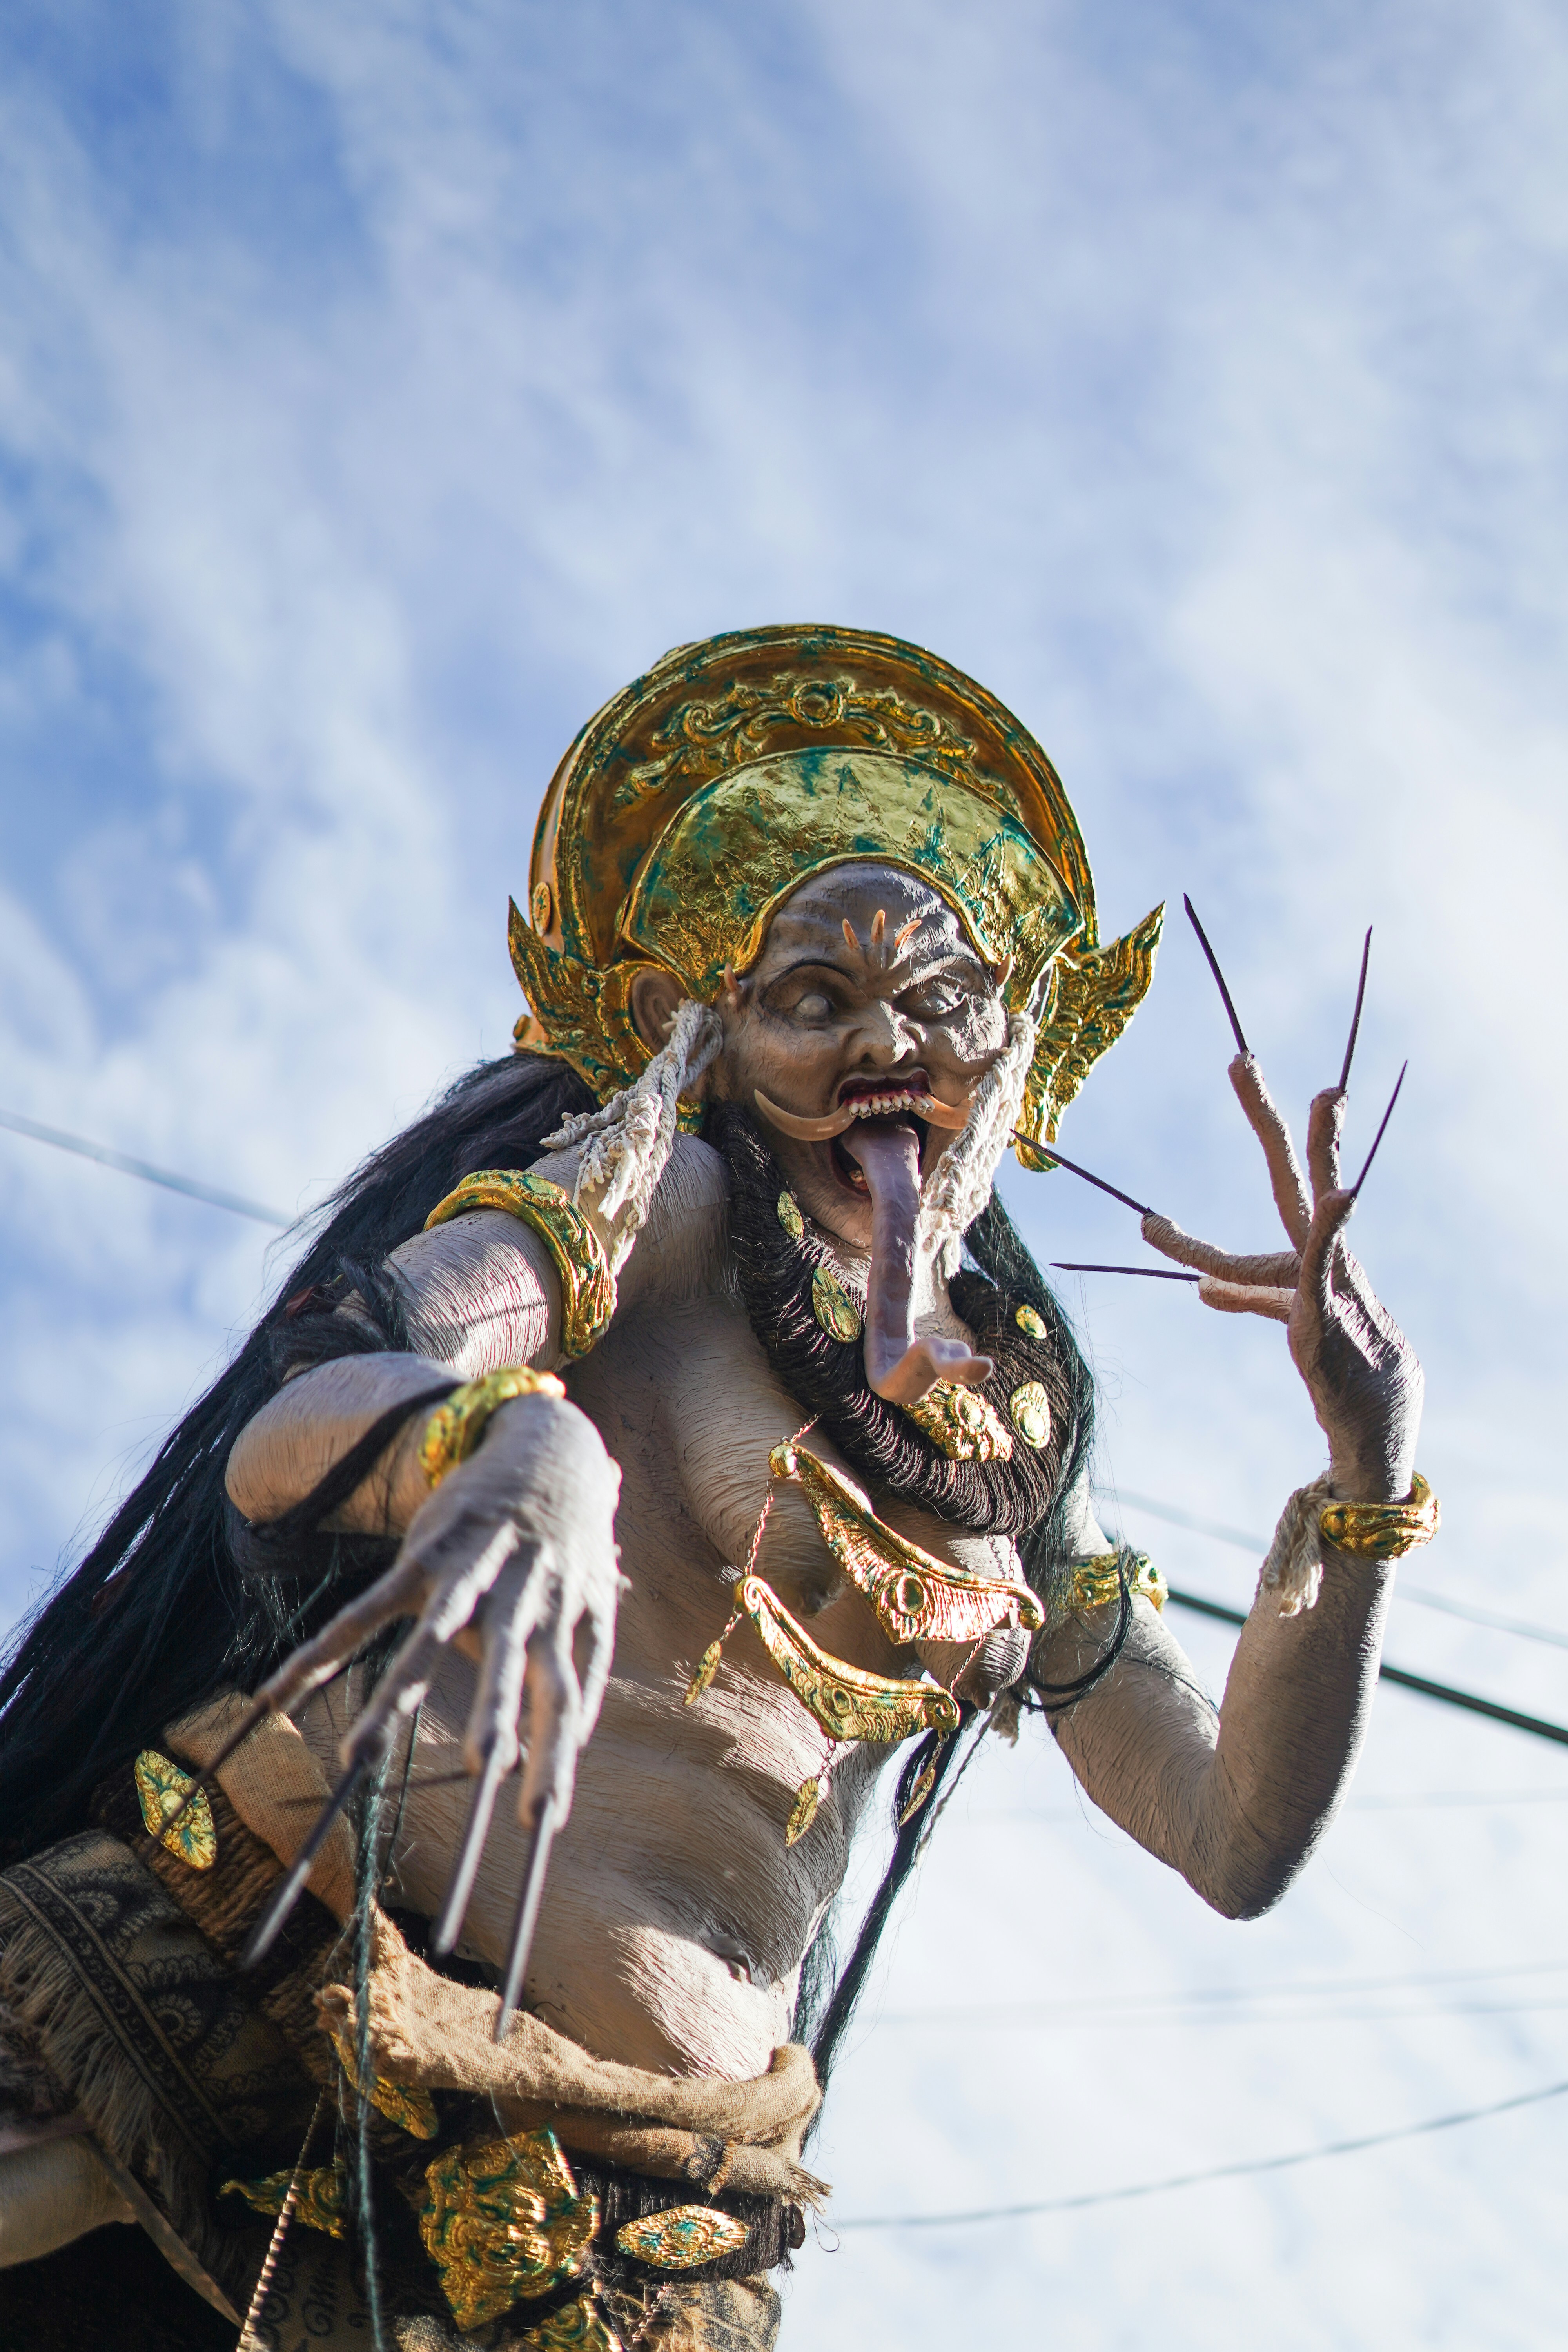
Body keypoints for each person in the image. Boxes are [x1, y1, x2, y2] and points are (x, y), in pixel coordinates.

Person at [0, 626, 1433, 2352]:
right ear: (712, 1038)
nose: (884, 1043)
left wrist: (1367, 1479)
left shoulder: (1017, 1463)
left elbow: (1235, 1836)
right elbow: (312, 1401)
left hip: (650, 2198)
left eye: (939, 1003)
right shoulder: (656, 1208)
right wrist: (503, 1447)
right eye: (812, 1000)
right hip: (296, 1972)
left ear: (1014, 1050)